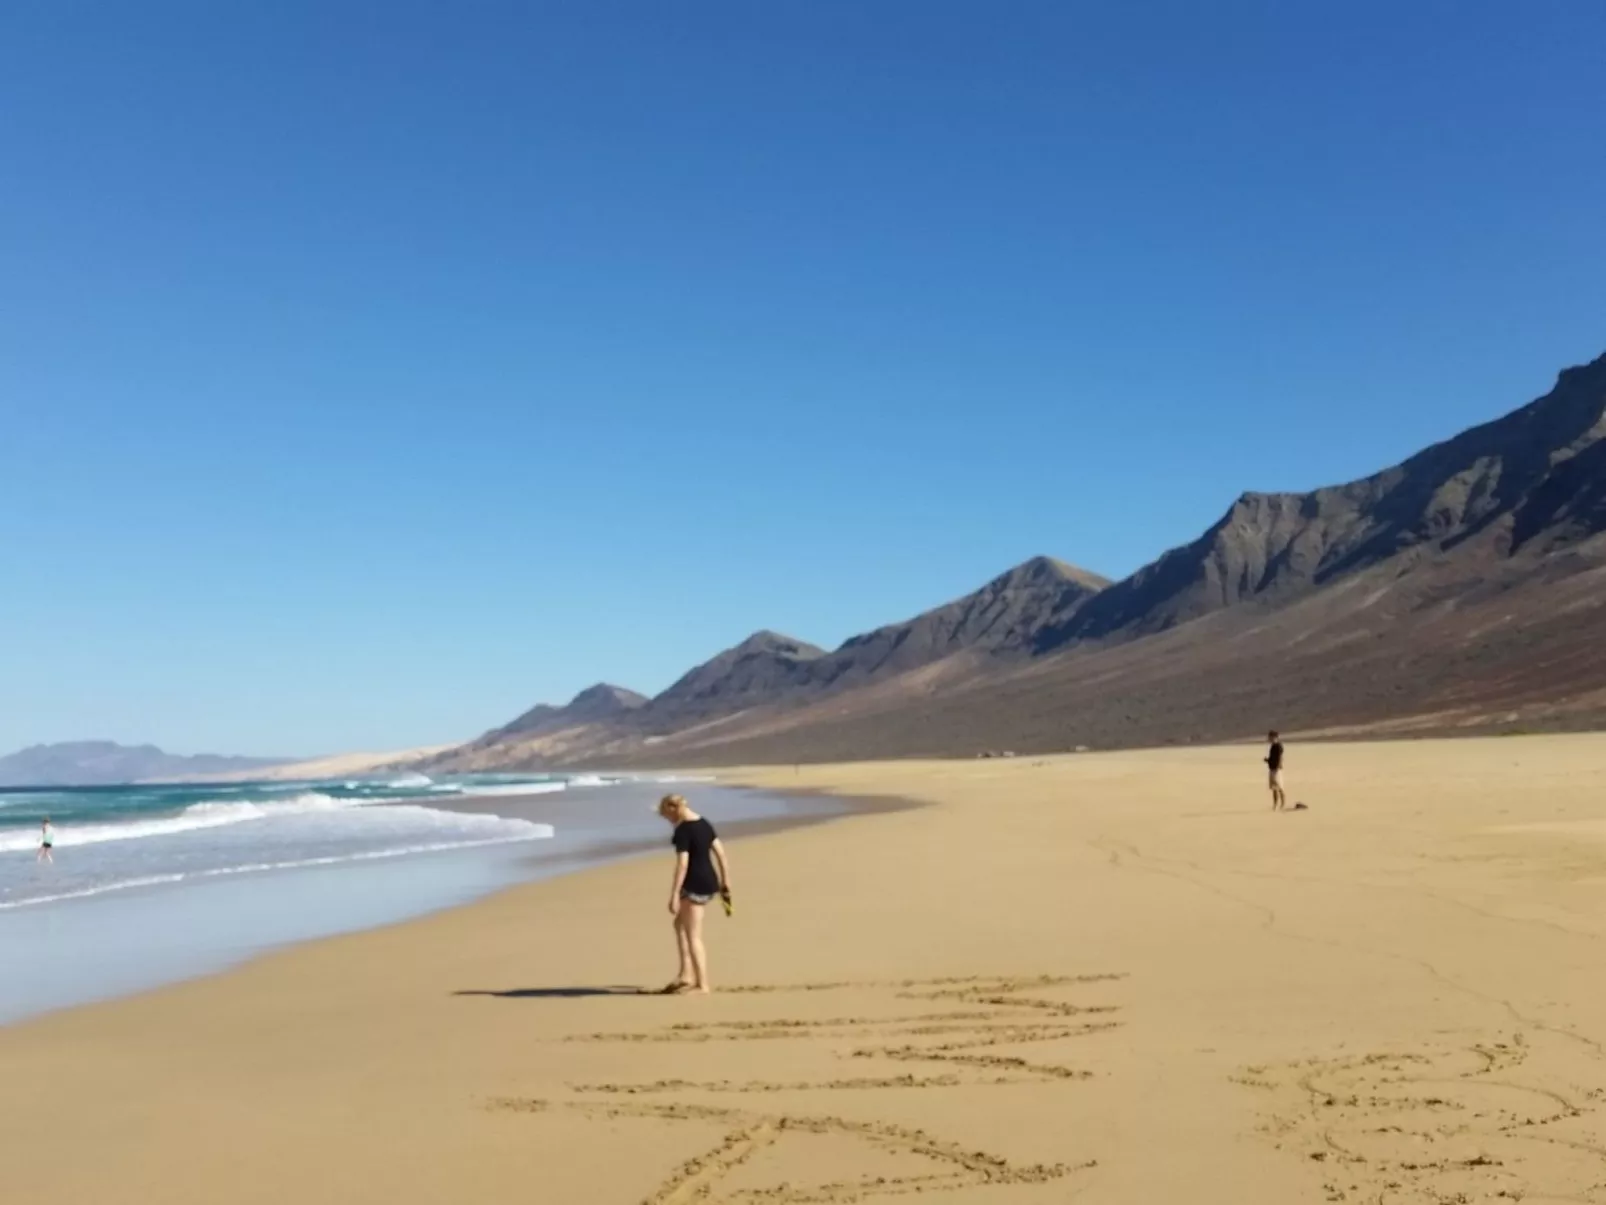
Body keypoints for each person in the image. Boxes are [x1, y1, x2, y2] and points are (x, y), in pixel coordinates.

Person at [656, 793, 730, 995]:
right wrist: (725, 880)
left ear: (673, 808)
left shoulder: (683, 831)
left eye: (666, 815)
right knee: (679, 924)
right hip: (709, 882)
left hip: (694, 885)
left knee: (693, 935)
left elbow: (682, 864)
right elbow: (720, 852)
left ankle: (702, 984)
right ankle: (685, 973)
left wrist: (673, 895)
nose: (667, 819)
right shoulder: (704, 823)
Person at [1265, 731, 1287, 811]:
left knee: (1279, 787)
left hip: (1276, 769)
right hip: (1272, 768)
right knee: (1274, 788)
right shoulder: (1273, 746)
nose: (1269, 739)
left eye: (1270, 737)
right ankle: (1275, 805)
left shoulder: (1278, 746)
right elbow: (1273, 758)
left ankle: (1282, 804)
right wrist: (1268, 760)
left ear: (1275, 737)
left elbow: (1279, 757)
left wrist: (1278, 766)